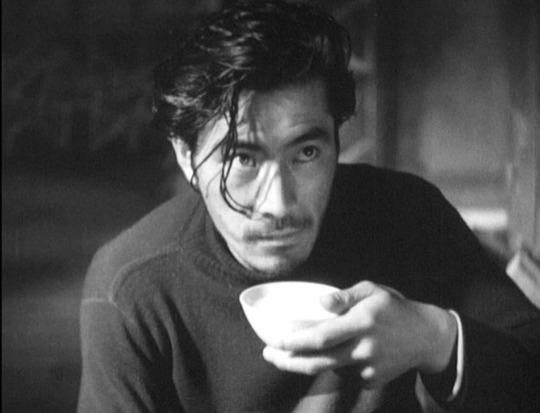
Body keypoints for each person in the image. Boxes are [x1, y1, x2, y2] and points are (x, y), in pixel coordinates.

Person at [77, 1, 540, 411]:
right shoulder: (133, 288)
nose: (279, 204)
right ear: (186, 157)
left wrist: (434, 338)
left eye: (307, 153)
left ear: (337, 139)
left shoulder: (406, 214)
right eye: (242, 159)